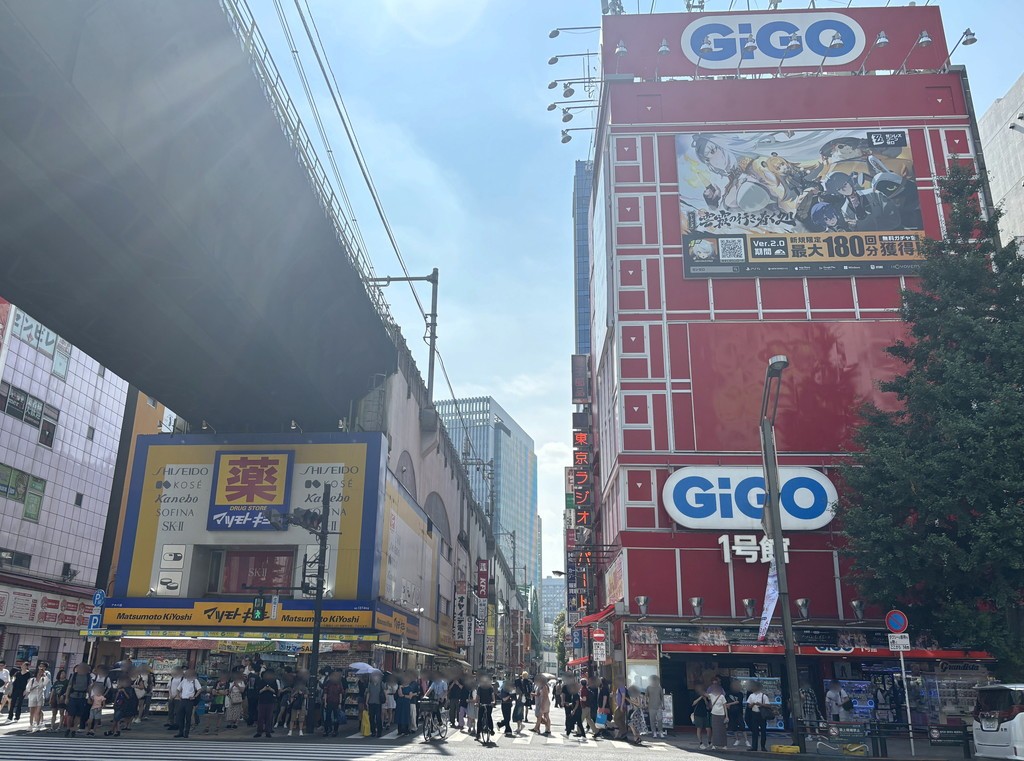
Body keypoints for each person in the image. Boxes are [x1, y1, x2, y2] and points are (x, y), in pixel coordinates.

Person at [174, 667, 201, 738]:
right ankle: (180, 732)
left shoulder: (195, 681)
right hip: (183, 700)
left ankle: (186, 732)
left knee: (188, 717)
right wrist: (179, 696)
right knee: (181, 716)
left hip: (190, 700)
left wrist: (194, 696)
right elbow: (178, 689)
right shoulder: (184, 681)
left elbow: (199, 689)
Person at [66, 663, 92, 736]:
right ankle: (68, 728)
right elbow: (69, 686)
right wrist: (67, 697)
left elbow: (89, 687)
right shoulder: (74, 675)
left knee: (78, 715)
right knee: (70, 714)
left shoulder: (88, 676)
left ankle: (74, 729)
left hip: (82, 697)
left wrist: (89, 697)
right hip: (73, 696)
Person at [746, 681, 771, 752]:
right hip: (754, 713)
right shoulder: (751, 696)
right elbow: (749, 706)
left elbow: (768, 705)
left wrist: (761, 704)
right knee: (754, 731)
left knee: (763, 731)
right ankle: (754, 746)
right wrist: (753, 704)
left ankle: (763, 746)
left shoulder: (763, 696)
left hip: (762, 714)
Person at [26, 665, 50, 732]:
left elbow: (46, 682)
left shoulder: (43, 679)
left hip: (40, 696)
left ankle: (37, 725)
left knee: (38, 711)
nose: (40, 673)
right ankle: (31, 725)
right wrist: (33, 687)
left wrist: (44, 675)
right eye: (39, 672)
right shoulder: (32, 680)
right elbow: (28, 689)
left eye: (41, 672)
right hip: (32, 697)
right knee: (32, 712)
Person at [255, 668, 278, 738]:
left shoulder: (273, 681)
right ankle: (259, 731)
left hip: (270, 701)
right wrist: (264, 689)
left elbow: (276, 691)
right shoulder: (261, 681)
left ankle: (268, 731)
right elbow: (257, 691)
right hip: (262, 700)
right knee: (260, 717)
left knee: (269, 717)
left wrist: (270, 689)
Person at [322, 671, 345, 737]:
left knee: (334, 717)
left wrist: (340, 703)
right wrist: (325, 702)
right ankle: (328, 730)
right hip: (331, 701)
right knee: (328, 717)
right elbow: (325, 693)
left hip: (335, 702)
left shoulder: (338, 683)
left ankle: (334, 730)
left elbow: (340, 693)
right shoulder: (329, 683)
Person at [727, 679, 749, 748]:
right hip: (731, 712)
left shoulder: (740, 694)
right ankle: (737, 739)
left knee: (742, 726)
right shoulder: (728, 693)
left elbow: (738, 701)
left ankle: (746, 740)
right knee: (734, 727)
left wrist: (729, 704)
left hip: (739, 712)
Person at [708, 680, 729, 750]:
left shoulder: (722, 696)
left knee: (722, 730)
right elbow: (704, 694)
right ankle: (714, 744)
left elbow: (725, 706)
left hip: (721, 714)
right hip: (714, 714)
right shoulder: (711, 695)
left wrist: (726, 716)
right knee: (715, 730)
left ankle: (724, 745)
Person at [474, 675, 495, 742]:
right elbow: (478, 696)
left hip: (489, 704)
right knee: (480, 718)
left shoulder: (490, 687)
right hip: (481, 704)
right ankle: (478, 733)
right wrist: (476, 702)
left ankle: (491, 729)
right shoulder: (480, 687)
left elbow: (492, 695)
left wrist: (493, 701)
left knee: (489, 716)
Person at [692, 684, 711, 749]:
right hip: (698, 714)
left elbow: (708, 706)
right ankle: (701, 743)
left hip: (705, 713)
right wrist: (700, 697)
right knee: (699, 728)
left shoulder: (706, 695)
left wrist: (705, 699)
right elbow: (693, 703)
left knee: (708, 728)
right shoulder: (695, 695)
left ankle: (709, 742)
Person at [365, 673, 385, 737]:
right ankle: (373, 731)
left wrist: (385, 701)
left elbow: (384, 692)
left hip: (378, 703)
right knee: (371, 717)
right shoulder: (370, 684)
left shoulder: (381, 684)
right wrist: (366, 702)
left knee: (378, 718)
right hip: (371, 702)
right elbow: (368, 693)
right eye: (374, 677)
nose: (375, 678)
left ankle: (379, 731)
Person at [647, 675, 665, 739]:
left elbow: (662, 697)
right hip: (651, 706)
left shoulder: (659, 688)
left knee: (660, 720)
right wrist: (646, 704)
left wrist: (663, 705)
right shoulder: (648, 687)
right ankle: (654, 732)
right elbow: (646, 696)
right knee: (652, 720)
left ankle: (660, 732)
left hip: (659, 706)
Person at [166, 665, 184, 731]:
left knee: (177, 711)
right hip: (171, 697)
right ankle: (171, 723)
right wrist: (170, 695)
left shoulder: (182, 679)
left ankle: (177, 724)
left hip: (178, 697)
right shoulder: (172, 678)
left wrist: (176, 695)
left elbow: (181, 688)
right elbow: (169, 687)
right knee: (170, 711)